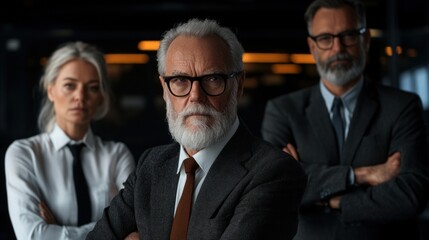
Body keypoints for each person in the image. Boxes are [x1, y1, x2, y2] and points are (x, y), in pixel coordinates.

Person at [86, 18, 307, 240]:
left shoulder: (274, 172)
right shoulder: (151, 166)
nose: (195, 96)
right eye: (180, 80)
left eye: (212, 78)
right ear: (164, 89)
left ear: (238, 86)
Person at [261, 0, 429, 239]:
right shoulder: (283, 111)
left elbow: (411, 195)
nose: (337, 48)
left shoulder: (402, 106)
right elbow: (276, 189)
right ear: (312, 46)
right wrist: (361, 174)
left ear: (366, 39)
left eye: (348, 35)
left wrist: (334, 202)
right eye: (325, 38)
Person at [5, 41, 136, 240]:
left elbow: (135, 225)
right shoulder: (24, 154)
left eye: (91, 88)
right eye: (69, 85)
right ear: (50, 90)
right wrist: (109, 229)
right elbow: (32, 235)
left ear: (100, 97)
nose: (79, 96)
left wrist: (58, 230)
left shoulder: (116, 155)